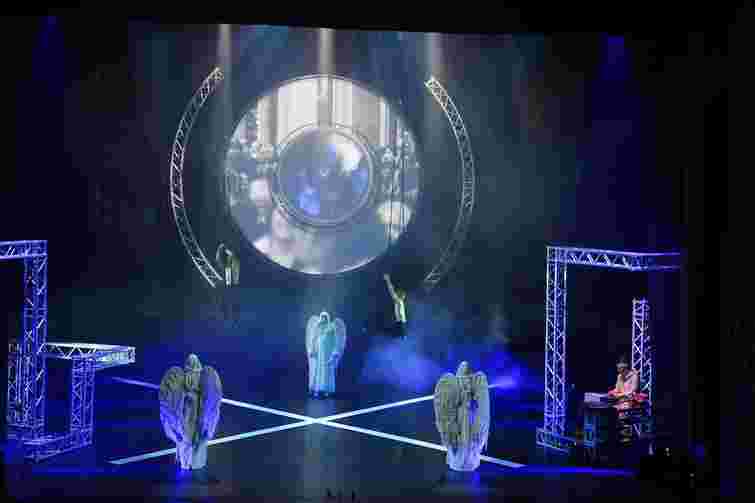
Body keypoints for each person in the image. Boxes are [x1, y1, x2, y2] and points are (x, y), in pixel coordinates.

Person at [383, 274, 408, 338]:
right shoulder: (399, 301)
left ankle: (402, 334)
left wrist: (387, 280)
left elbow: (391, 291)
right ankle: (402, 334)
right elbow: (392, 291)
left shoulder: (399, 301)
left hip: (401, 322)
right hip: (401, 322)